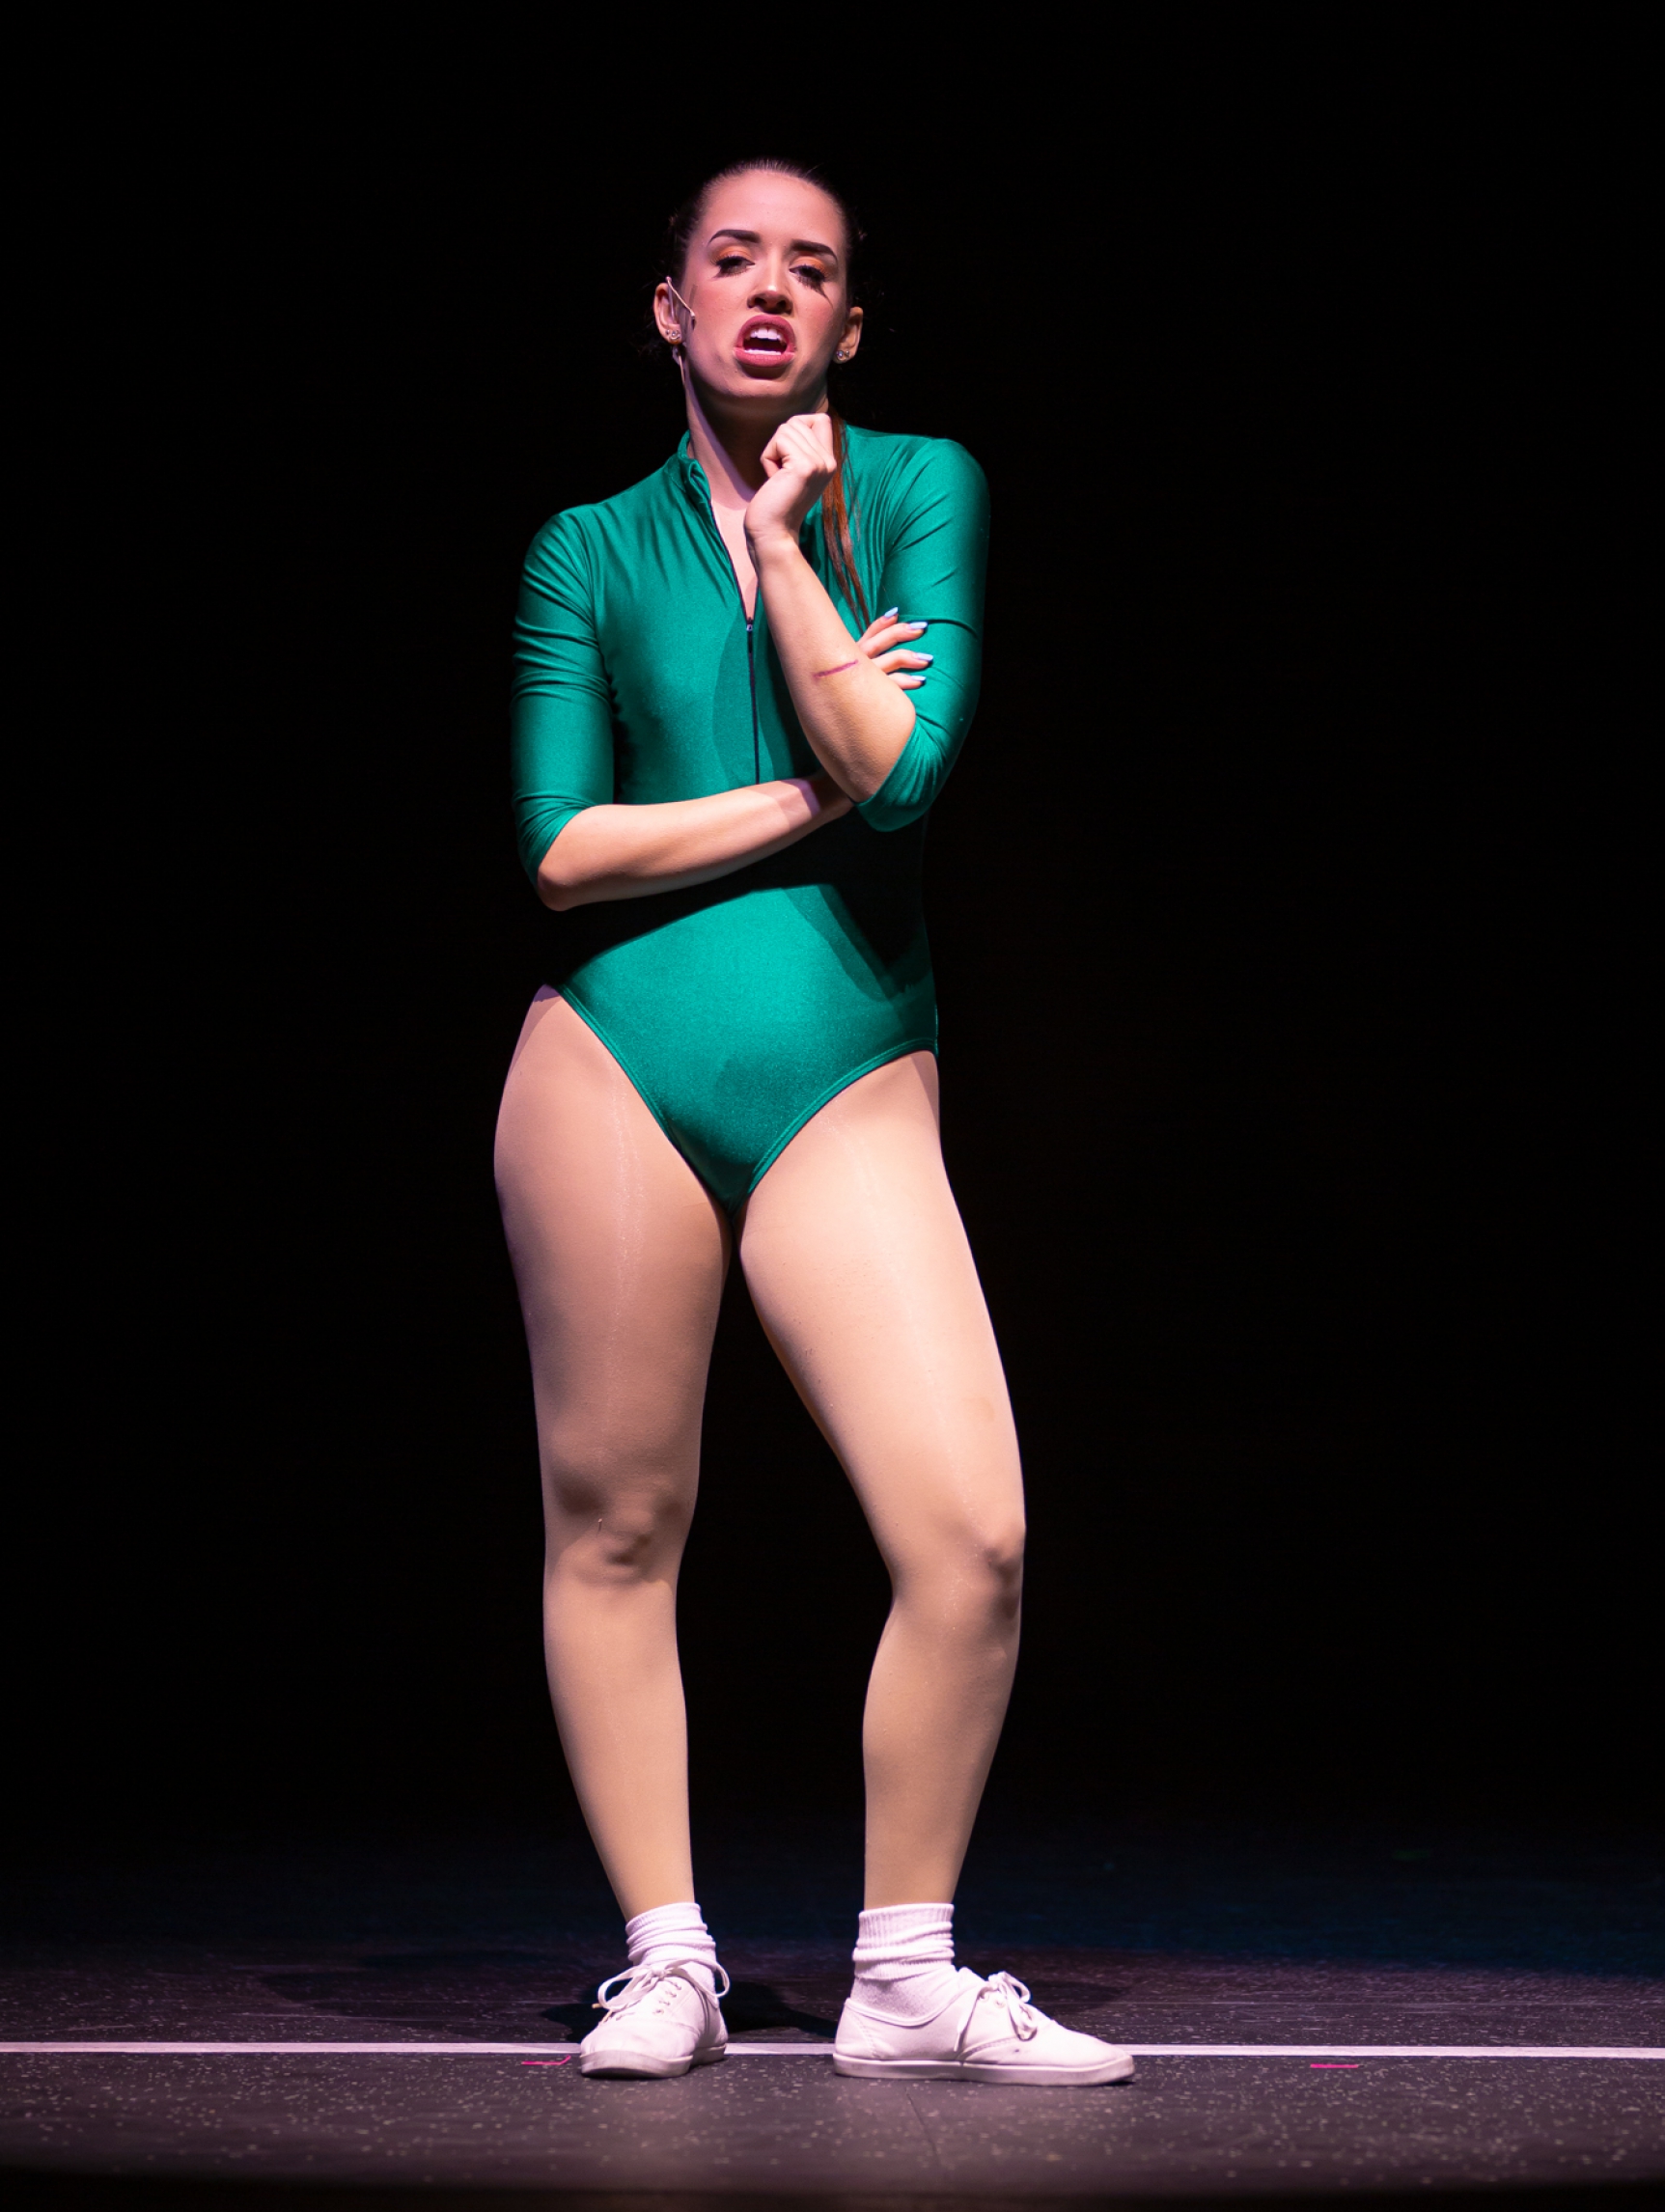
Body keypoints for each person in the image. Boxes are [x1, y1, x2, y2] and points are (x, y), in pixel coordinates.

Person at [495, 160, 1132, 2088]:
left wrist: (784, 549)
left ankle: (906, 1974)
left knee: (972, 1531)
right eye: (732, 260)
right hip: (609, 1065)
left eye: (813, 268)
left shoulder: (918, 491)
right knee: (618, 1519)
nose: (770, 290)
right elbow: (561, 849)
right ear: (670, 308)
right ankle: (665, 1957)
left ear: (852, 322)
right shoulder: (587, 550)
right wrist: (794, 807)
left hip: (846, 1064)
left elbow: (903, 777)